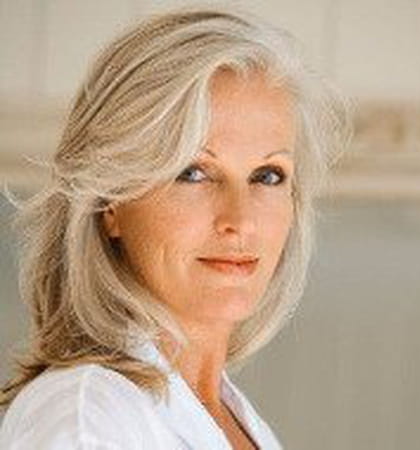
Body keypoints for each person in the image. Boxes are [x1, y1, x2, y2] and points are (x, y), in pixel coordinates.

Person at [0, 3, 352, 449]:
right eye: (194, 172)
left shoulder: (237, 420)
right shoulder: (86, 420)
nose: (239, 221)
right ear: (110, 201)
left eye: (267, 176)